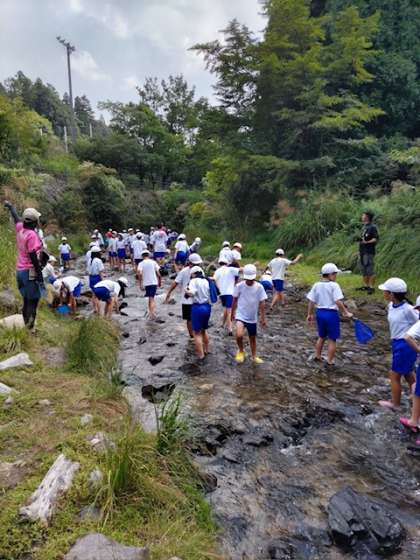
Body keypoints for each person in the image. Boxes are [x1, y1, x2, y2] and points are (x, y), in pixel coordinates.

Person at [377, 278, 418, 410]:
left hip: (405, 345)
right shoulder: (391, 305)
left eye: (385, 291)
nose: (383, 293)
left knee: (394, 375)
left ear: (392, 294)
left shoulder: (408, 309)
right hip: (396, 343)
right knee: (408, 372)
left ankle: (395, 404)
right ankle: (415, 394)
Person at [4, 201, 44, 329]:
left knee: (26, 300)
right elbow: (33, 256)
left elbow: (16, 217)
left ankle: (27, 327)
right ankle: (29, 329)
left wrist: (10, 207)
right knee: (33, 301)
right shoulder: (32, 235)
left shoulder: (21, 228)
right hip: (29, 272)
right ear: (34, 222)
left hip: (20, 271)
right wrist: (39, 275)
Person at [306, 263, 353, 368]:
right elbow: (338, 301)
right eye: (335, 274)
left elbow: (311, 301)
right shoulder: (334, 285)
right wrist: (345, 312)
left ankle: (318, 355)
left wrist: (309, 314)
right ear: (330, 274)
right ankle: (330, 361)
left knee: (321, 336)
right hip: (331, 314)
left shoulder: (316, 285)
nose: (336, 276)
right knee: (332, 339)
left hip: (319, 313)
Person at [232, 264, 268, 364]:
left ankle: (254, 356)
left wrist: (263, 318)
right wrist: (232, 312)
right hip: (240, 314)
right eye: (248, 279)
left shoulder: (259, 287)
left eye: (251, 279)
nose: (250, 281)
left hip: (252, 317)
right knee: (239, 335)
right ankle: (241, 351)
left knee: (252, 338)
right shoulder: (239, 286)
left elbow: (262, 303)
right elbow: (234, 300)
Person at [164, 253, 203, 338]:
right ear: (190, 263)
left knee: (191, 319)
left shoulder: (187, 271)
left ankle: (194, 336)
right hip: (192, 300)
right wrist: (169, 292)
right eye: (196, 264)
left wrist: (169, 293)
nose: (197, 266)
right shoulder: (188, 271)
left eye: (198, 264)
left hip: (192, 300)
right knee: (190, 319)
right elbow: (175, 283)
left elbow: (175, 283)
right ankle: (193, 336)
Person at [185, 266, 212, 360]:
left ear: (193, 274)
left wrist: (186, 291)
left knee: (196, 333)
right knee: (204, 330)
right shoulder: (206, 280)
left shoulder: (193, 281)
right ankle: (207, 350)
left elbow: (191, 293)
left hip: (197, 308)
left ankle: (201, 356)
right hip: (207, 307)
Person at [214, 258, 240, 335]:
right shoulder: (230, 269)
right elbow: (241, 270)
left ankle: (222, 324)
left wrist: (218, 289)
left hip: (222, 294)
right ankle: (230, 329)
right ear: (227, 263)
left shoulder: (217, 271)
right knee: (229, 311)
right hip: (230, 293)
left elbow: (214, 280)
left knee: (227, 308)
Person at [357, 211, 378, 295]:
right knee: (364, 269)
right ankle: (365, 285)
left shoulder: (372, 227)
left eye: (363, 215)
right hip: (362, 251)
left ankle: (371, 287)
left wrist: (367, 242)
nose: (362, 216)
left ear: (367, 217)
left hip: (369, 251)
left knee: (370, 269)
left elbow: (375, 239)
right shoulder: (364, 227)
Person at [137, 250, 161, 319]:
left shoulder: (141, 263)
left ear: (142, 256)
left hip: (146, 283)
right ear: (149, 255)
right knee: (151, 298)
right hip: (154, 282)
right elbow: (159, 274)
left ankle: (151, 313)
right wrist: (159, 282)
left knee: (150, 298)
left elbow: (139, 274)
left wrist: (140, 284)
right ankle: (152, 313)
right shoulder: (153, 262)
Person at [88, 246, 105, 314]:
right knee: (98, 296)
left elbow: (88, 271)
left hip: (91, 278)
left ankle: (95, 309)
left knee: (93, 294)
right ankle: (99, 310)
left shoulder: (89, 260)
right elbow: (101, 272)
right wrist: (103, 281)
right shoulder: (98, 260)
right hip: (97, 278)